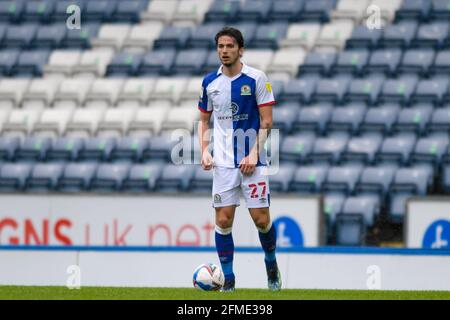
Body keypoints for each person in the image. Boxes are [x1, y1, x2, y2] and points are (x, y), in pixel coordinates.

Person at [197, 27, 281, 292]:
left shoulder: (257, 78)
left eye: (230, 46)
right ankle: (229, 281)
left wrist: (255, 151)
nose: (224, 51)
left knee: (261, 219)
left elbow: (267, 121)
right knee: (223, 221)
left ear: (240, 49)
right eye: (220, 46)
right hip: (222, 164)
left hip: (253, 162)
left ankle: (271, 265)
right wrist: (204, 149)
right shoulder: (210, 82)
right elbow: (203, 120)